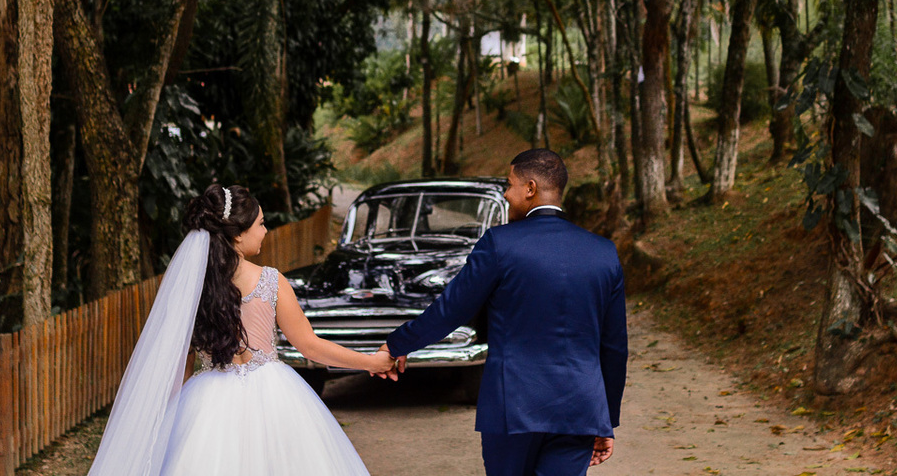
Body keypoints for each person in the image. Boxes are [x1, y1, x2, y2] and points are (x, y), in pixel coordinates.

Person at [87, 183, 395, 476]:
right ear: (237, 235)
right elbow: (310, 346)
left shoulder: (193, 287)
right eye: (260, 224)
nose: (265, 230)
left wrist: (160, 417)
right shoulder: (272, 281)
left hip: (206, 403)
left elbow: (181, 363)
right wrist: (370, 362)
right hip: (275, 396)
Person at [382, 148, 629, 476]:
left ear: (530, 188)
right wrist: (605, 419)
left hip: (512, 406)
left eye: (509, 185)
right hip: (579, 410)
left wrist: (397, 345)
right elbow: (614, 348)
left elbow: (451, 310)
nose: (505, 194)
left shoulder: (499, 244)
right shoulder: (603, 253)